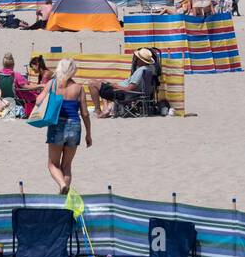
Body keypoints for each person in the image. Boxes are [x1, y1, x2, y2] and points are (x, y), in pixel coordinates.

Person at [35, 58, 92, 195]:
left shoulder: (52, 84)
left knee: (52, 164)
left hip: (57, 124)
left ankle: (62, 185)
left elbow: (38, 101)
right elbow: (85, 113)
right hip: (75, 125)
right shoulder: (78, 88)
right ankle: (64, 195)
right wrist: (88, 134)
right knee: (66, 166)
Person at [94, 48, 155, 117]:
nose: (136, 59)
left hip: (123, 94)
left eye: (138, 58)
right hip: (130, 92)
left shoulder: (140, 71)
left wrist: (115, 86)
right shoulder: (151, 68)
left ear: (142, 61)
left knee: (92, 84)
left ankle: (98, 110)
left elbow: (129, 89)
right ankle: (106, 108)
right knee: (102, 82)